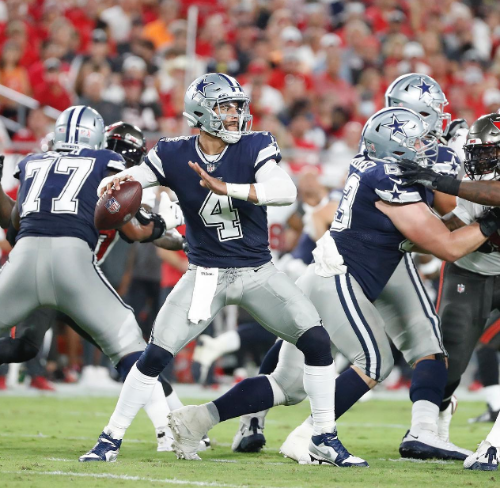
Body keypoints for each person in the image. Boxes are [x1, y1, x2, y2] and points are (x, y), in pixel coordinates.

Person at [80, 73, 366, 468]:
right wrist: (117, 180)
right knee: (154, 355)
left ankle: (323, 438)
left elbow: (285, 191)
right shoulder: (172, 152)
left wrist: (226, 187)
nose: (235, 114)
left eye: (237, 106)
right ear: (201, 112)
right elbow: (139, 178)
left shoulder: (255, 144)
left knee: (316, 341)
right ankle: (109, 438)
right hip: (205, 275)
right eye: (226, 107)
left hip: (257, 272)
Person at [230, 106, 500, 465]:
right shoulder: (395, 172)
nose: (427, 143)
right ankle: (306, 431)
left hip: (358, 263)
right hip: (364, 266)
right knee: (324, 369)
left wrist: (442, 185)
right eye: (419, 135)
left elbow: (455, 218)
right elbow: (447, 241)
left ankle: (423, 432)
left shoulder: (404, 164)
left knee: (417, 347)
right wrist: (479, 221)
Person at [0, 106, 189, 454]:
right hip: (75, 271)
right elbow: (136, 228)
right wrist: (166, 225)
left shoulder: (34, 161)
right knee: (129, 342)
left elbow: (14, 224)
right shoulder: (106, 165)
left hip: (25, 259)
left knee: (27, 345)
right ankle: (169, 430)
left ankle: (175, 423)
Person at [398, 113, 500, 471]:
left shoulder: (464, 184)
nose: (479, 160)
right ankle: (432, 427)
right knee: (450, 357)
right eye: (477, 152)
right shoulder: (467, 179)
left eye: (489, 152)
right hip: (471, 272)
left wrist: (446, 183)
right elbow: (452, 222)